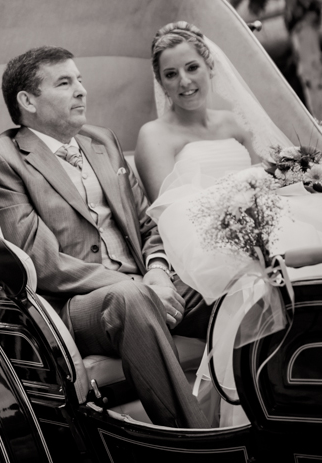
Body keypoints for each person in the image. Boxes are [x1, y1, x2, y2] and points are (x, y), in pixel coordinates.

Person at [0, 46, 210, 429]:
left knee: (229, 284)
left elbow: (149, 225)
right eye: (65, 83)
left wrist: (159, 273)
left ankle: (265, 414)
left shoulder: (102, 141)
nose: (81, 90)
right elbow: (42, 263)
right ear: (27, 101)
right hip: (74, 306)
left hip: (145, 284)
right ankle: (196, 443)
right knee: (131, 298)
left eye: (80, 80)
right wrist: (140, 283)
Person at [136, 21, 322, 426]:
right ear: (161, 84)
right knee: (260, 283)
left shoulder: (234, 124)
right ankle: (267, 412)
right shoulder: (154, 136)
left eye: (191, 68)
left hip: (257, 229)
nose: (184, 81)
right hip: (200, 253)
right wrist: (250, 182)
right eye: (171, 74)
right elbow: (171, 214)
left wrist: (299, 174)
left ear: (209, 67)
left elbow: (269, 186)